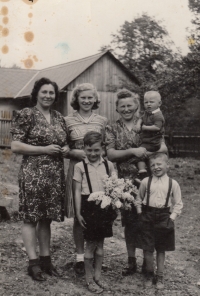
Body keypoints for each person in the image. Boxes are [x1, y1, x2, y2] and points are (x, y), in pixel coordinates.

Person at [10, 78, 69, 281]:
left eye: (51, 93)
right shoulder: (27, 114)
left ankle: (46, 260)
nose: (48, 96)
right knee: (30, 218)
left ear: (55, 95)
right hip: (33, 174)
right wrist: (43, 149)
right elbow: (16, 146)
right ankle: (33, 263)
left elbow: (65, 143)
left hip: (54, 175)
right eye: (44, 92)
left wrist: (66, 148)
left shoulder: (59, 117)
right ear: (36, 94)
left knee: (46, 219)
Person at [105, 89, 167, 276]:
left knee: (150, 220)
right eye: (122, 106)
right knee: (130, 223)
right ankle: (131, 261)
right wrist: (134, 152)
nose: (126, 109)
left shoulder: (147, 121)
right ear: (116, 108)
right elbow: (110, 154)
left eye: (130, 105)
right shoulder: (112, 128)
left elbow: (162, 146)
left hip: (149, 179)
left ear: (136, 106)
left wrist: (151, 153)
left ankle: (148, 263)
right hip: (126, 183)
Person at [64, 83, 107, 275]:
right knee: (79, 213)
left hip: (98, 171)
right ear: (76, 99)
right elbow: (64, 149)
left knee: (99, 213)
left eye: (90, 98)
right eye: (83, 98)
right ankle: (80, 257)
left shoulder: (102, 121)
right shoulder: (67, 121)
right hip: (78, 169)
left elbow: (104, 148)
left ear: (95, 99)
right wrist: (77, 153)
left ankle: (97, 254)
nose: (87, 101)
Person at [73, 131, 115, 294]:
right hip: (88, 206)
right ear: (84, 148)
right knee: (90, 245)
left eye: (96, 150)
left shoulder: (108, 165)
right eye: (89, 150)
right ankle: (89, 280)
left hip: (104, 206)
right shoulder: (79, 166)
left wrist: (113, 207)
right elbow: (77, 191)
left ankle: (98, 277)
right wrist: (78, 212)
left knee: (100, 245)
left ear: (103, 149)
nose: (93, 154)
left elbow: (113, 187)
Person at [136, 153, 183, 289]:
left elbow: (178, 203)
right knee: (148, 248)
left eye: (159, 164)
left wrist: (171, 218)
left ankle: (160, 276)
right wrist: (140, 214)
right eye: (152, 165)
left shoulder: (173, 183)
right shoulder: (146, 182)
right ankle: (149, 275)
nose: (156, 167)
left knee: (161, 249)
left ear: (167, 165)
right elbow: (138, 199)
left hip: (164, 217)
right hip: (148, 216)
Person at [136, 91, 165, 180]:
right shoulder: (147, 112)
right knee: (140, 153)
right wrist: (138, 124)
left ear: (159, 103)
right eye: (146, 102)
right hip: (147, 140)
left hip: (153, 142)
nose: (148, 104)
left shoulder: (158, 115)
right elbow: (141, 118)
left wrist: (144, 127)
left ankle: (143, 173)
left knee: (140, 154)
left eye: (151, 102)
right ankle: (143, 171)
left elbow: (157, 128)